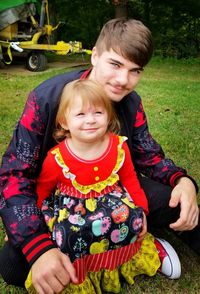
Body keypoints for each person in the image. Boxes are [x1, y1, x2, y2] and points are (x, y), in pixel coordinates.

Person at [0, 17, 199, 291]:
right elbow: (14, 174)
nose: (123, 81)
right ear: (95, 55)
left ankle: (143, 242)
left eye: (135, 71)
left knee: (179, 203)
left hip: (117, 187)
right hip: (61, 200)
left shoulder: (131, 102)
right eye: (115, 64)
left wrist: (182, 181)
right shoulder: (45, 98)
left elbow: (149, 156)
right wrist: (35, 242)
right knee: (13, 266)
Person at [24, 79, 181, 293]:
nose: (90, 120)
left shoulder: (119, 147)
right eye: (80, 114)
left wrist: (142, 210)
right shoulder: (56, 158)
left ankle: (144, 249)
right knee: (69, 236)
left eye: (98, 113)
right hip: (73, 211)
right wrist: (28, 222)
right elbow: (41, 190)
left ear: (108, 117)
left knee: (130, 219)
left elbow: (130, 180)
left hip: (112, 202)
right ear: (64, 122)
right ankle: (76, 276)